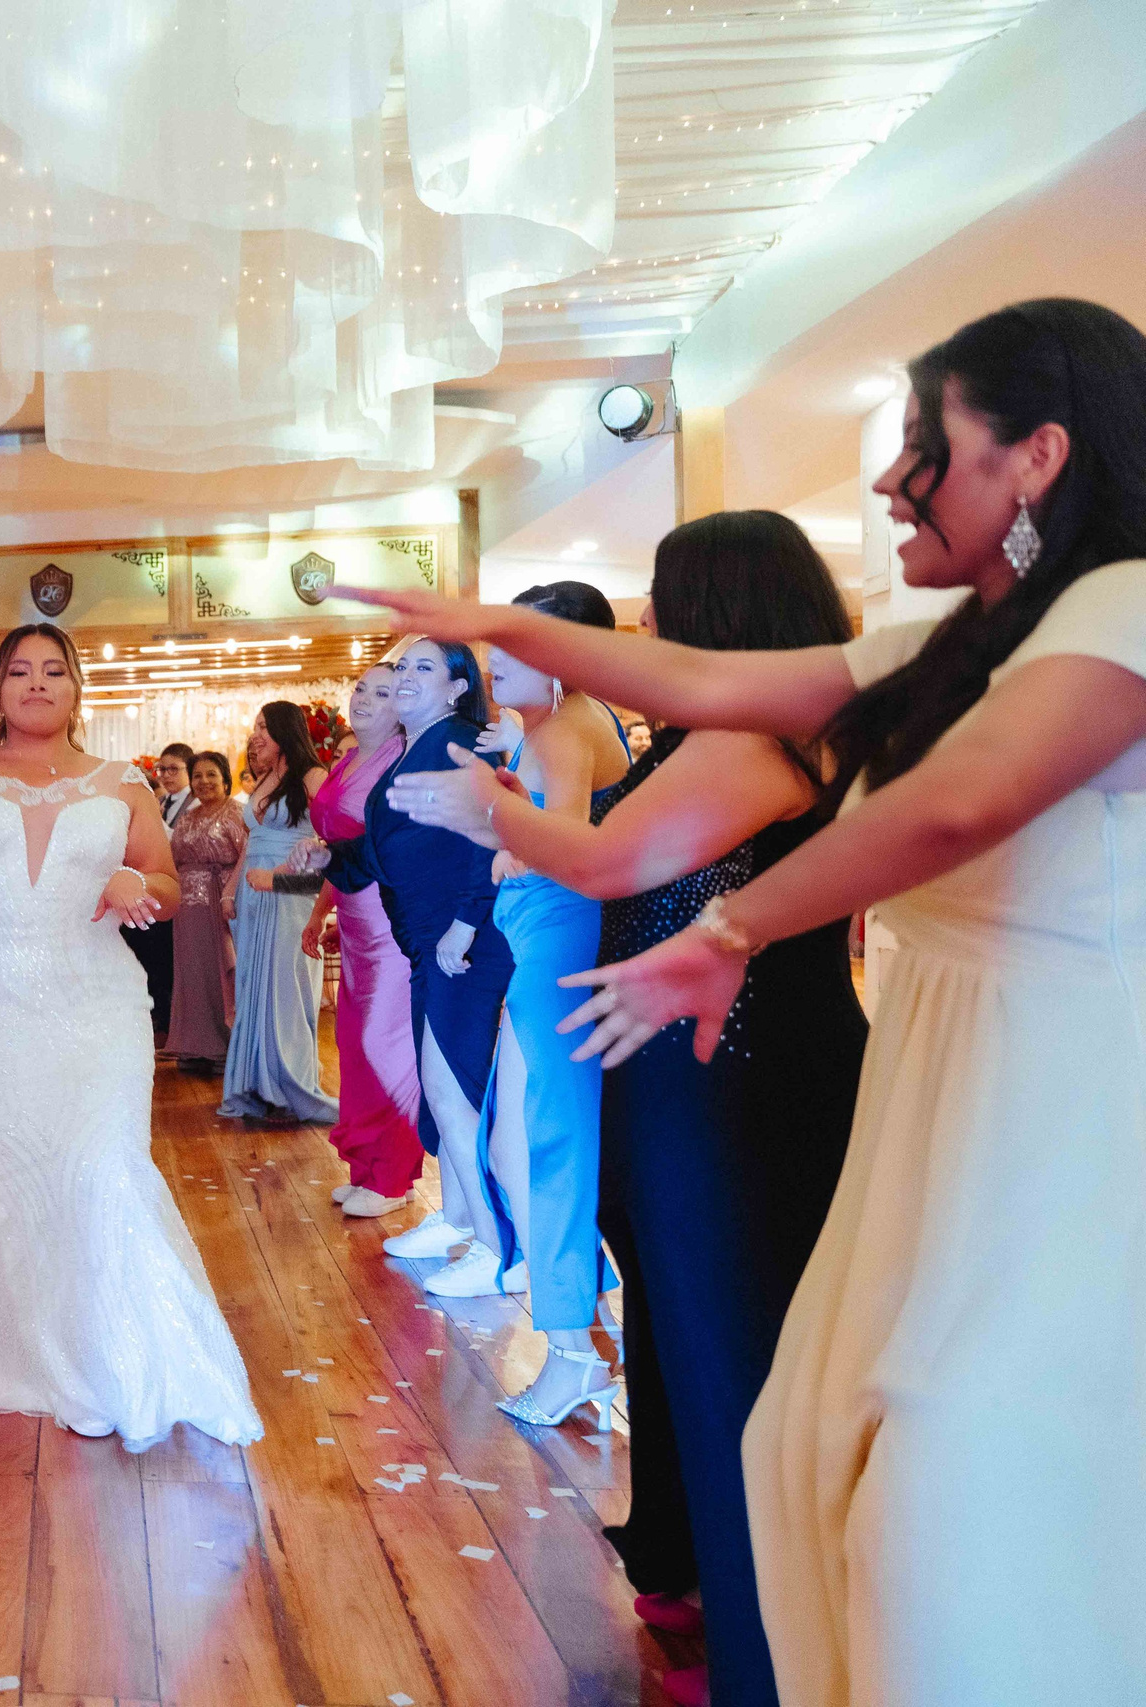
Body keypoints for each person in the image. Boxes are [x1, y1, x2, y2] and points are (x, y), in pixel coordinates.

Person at [388, 300, 1146, 1707]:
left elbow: (956, 806)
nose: (886, 477)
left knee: (973, 1455)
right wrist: (497, 620)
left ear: (1037, 458)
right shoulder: (971, 637)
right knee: (832, 1429)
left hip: (1075, 1080)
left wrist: (728, 924)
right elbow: (705, 678)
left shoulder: (1123, 604)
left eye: (925, 444)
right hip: (953, 1069)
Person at [369, 514, 869, 1707]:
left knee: (729, 1360)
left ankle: (766, 1654)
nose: (645, 623)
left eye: (664, 600)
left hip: (727, 1081)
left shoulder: (751, 739)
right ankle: (701, 1581)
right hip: (696, 1068)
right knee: (691, 1340)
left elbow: (604, 863)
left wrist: (487, 805)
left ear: (722, 612)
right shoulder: (739, 729)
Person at [0, 622, 260, 1452]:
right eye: (18, 670)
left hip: (94, 1004)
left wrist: (141, 882)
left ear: (76, 685)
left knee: (103, 1165)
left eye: (53, 670)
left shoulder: (123, 782)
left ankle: (117, 1353)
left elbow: (166, 886)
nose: (35, 683)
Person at [449, 584, 634, 1383]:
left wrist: (499, 830)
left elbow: (565, 846)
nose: (496, 661)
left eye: (518, 644)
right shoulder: (569, 725)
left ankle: (571, 1344)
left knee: (541, 1143)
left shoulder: (561, 731)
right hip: (556, 942)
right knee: (532, 1138)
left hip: (558, 946)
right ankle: (587, 1332)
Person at [295, 639, 515, 1287]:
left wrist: (467, 921)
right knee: (439, 1084)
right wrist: (327, 859)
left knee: (452, 1088)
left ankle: (497, 1244)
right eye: (404, 667)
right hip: (425, 939)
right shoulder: (410, 753)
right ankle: (458, 1215)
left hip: (460, 941)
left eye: (424, 668)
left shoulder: (464, 740)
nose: (404, 678)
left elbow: (492, 833)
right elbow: (379, 855)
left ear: (455, 687)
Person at [283, 667, 421, 1217]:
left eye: (382, 693)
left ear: (403, 707)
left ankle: (390, 1177)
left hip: (386, 921)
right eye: (361, 688)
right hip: (354, 917)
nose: (364, 698)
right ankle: (371, 1168)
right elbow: (338, 842)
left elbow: (385, 847)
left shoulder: (398, 760)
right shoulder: (347, 759)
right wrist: (322, 898)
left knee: (383, 1043)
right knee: (352, 1043)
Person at [220, 702, 335, 1122]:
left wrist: (289, 873)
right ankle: (259, 1085)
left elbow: (334, 838)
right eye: (254, 728)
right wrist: (230, 890)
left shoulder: (314, 777)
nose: (255, 736)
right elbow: (252, 842)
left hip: (292, 891)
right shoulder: (265, 779)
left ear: (286, 731)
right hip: (253, 893)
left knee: (287, 988)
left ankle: (291, 1088)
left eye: (264, 727)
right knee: (255, 986)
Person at [164, 751, 244, 1074]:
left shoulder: (237, 813)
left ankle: (225, 1045)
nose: (204, 782)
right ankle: (193, 1044)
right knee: (190, 972)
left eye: (211, 774)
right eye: (198, 776)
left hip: (221, 900)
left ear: (226, 778)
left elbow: (246, 857)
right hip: (187, 906)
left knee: (221, 971)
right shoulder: (187, 817)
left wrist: (230, 893)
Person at [124, 740, 195, 1039]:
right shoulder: (161, 802)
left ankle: (172, 1020)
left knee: (170, 959)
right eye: (161, 768)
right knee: (154, 954)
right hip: (154, 890)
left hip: (186, 888)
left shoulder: (195, 804)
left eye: (173, 769)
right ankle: (159, 1014)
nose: (165, 775)